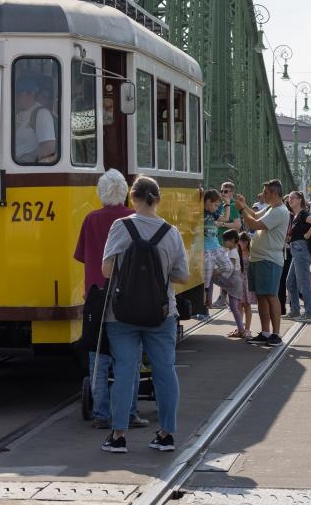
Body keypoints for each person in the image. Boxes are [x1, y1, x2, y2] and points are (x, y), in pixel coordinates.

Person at [100, 176, 190, 453]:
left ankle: (118, 436)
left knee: (125, 370)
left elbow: (106, 270)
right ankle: (166, 434)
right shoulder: (171, 232)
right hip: (161, 313)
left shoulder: (120, 226)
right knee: (165, 370)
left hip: (122, 314)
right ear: (158, 199)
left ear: (132, 197)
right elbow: (183, 276)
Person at [73, 169, 148, 431]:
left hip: (96, 295)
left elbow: (82, 256)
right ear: (124, 192)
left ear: (101, 193)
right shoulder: (133, 218)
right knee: (129, 358)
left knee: (98, 359)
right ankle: (129, 412)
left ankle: (101, 414)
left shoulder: (90, 219)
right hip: (128, 295)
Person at [234, 179, 290, 347]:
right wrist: (245, 205)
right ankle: (265, 332)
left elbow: (254, 224)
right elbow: (256, 215)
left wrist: (242, 209)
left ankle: (276, 334)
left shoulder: (279, 211)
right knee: (261, 297)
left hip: (269, 259)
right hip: (259, 258)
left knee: (271, 296)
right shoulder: (271, 208)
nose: (263, 195)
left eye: (266, 192)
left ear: (275, 193)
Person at [284, 191, 311, 321]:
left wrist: (307, 235)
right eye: (289, 198)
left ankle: (309, 313)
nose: (290, 199)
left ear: (300, 200)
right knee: (290, 282)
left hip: (301, 250)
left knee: (303, 282)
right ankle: (295, 311)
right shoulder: (295, 216)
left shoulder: (303, 214)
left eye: (293, 197)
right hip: (295, 250)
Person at [202, 189, 232, 313]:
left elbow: (226, 218)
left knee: (228, 267)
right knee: (205, 282)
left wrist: (227, 204)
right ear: (208, 202)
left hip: (216, 246)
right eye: (215, 205)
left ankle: (212, 276)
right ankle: (204, 306)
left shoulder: (213, 213)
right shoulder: (200, 212)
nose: (216, 208)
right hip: (206, 249)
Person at [14, 78, 57, 164]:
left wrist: (25, 160)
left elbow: (49, 147)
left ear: (30, 95)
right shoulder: (16, 113)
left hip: (22, 167)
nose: (14, 97)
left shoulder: (41, 113)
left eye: (17, 94)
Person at [213, 182, 243, 306]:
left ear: (232, 193)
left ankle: (225, 298)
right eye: (221, 191)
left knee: (226, 272)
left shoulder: (233, 206)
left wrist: (223, 224)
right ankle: (224, 298)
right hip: (219, 242)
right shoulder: (220, 205)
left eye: (226, 191)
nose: (223, 193)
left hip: (228, 245)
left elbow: (237, 225)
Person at [220, 229, 249, 337]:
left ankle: (241, 330)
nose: (223, 242)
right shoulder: (233, 251)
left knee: (234, 307)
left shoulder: (232, 252)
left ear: (232, 241)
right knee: (234, 306)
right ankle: (240, 329)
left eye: (225, 240)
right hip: (235, 281)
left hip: (234, 281)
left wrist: (218, 272)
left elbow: (230, 268)